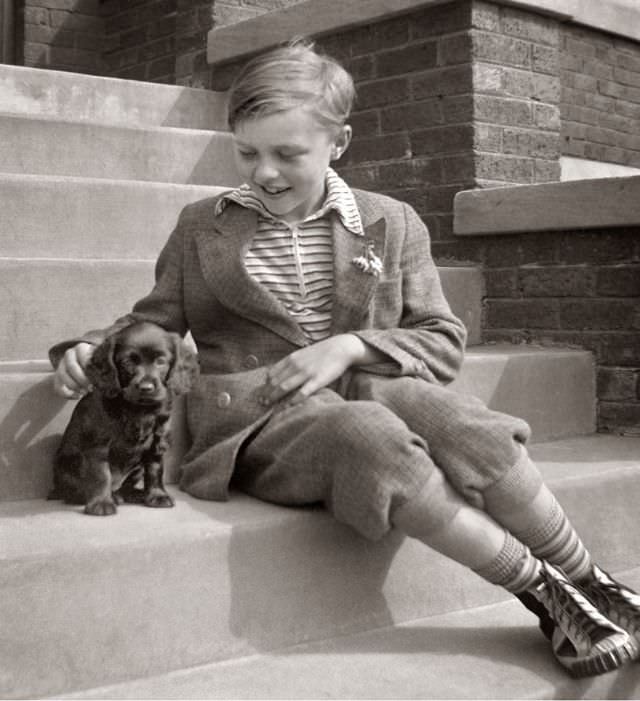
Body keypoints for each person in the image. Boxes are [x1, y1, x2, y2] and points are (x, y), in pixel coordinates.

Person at [50, 38, 640, 679]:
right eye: (247, 152)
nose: (264, 172)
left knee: (455, 420)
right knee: (371, 434)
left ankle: (591, 580)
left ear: (338, 142)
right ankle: (546, 594)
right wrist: (88, 347)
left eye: (287, 154)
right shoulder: (203, 227)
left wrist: (353, 345)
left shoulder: (391, 222)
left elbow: (442, 341)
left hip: (370, 383)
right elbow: (154, 320)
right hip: (257, 416)